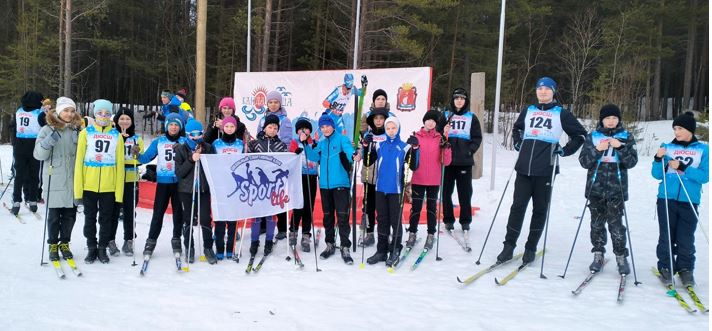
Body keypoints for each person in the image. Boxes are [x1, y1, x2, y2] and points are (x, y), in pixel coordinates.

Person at [496, 77, 586, 264]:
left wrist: (565, 149)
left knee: (539, 209)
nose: (543, 92)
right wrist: (518, 141)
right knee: (517, 207)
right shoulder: (528, 110)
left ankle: (530, 247)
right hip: (523, 168)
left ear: (553, 92)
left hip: (546, 169)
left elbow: (580, 135)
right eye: (539, 88)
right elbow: (517, 128)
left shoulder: (561, 113)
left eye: (547, 89)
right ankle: (508, 246)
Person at [578, 104, 638, 275]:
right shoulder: (593, 136)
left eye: (614, 118)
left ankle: (620, 256)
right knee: (596, 224)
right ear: (602, 120)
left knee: (616, 225)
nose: (611, 121)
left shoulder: (626, 137)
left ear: (618, 119)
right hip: (595, 189)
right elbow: (584, 162)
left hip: (616, 189)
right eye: (607, 118)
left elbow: (632, 162)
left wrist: (620, 147)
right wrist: (598, 150)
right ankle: (598, 254)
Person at [652, 111, 708, 286]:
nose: (676, 131)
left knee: (685, 237)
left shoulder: (703, 149)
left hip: (689, 200)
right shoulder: (667, 147)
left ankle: (685, 269)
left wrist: (683, 167)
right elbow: (656, 174)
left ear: (690, 130)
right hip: (666, 198)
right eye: (675, 128)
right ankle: (666, 267)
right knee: (666, 235)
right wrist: (658, 158)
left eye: (680, 128)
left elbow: (704, 176)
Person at [74, 99, 125, 264]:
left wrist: (119, 193)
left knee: (106, 219)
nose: (103, 116)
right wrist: (78, 190)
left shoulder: (117, 136)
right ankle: (91, 247)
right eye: (100, 113)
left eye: (107, 113)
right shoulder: (85, 133)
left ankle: (102, 248)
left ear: (111, 116)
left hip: (109, 187)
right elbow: (79, 163)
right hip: (89, 185)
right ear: (94, 114)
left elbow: (120, 166)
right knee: (89, 218)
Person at [363, 117, 419, 266]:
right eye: (388, 128)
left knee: (395, 220)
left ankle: (395, 248)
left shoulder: (404, 147)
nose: (391, 131)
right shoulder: (379, 146)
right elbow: (367, 162)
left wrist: (415, 149)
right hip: (380, 189)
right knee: (382, 220)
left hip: (396, 190)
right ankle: (381, 250)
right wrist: (366, 146)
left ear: (398, 129)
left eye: (393, 128)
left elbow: (414, 166)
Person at [33, 97, 82, 262]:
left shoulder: (77, 130)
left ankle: (65, 243)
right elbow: (38, 155)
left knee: (70, 216)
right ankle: (53, 244)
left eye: (72, 110)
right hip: (54, 180)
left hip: (73, 180)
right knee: (54, 217)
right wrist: (48, 142)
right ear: (59, 111)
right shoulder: (47, 130)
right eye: (66, 110)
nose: (69, 114)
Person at [305, 114, 357, 264]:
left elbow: (348, 150)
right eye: (322, 127)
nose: (325, 129)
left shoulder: (341, 139)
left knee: (342, 217)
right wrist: (306, 145)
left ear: (333, 126)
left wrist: (353, 154)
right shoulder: (321, 143)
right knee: (327, 216)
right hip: (325, 186)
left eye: (327, 126)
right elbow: (314, 157)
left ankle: (345, 246)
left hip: (340, 184)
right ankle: (330, 244)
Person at [134, 113, 187, 261]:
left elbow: (193, 156)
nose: (173, 127)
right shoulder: (159, 141)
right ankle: (151, 241)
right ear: (166, 126)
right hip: (163, 183)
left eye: (176, 124)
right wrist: (137, 154)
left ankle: (176, 239)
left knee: (178, 214)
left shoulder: (185, 141)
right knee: (158, 213)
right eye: (171, 124)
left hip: (179, 183)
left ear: (180, 127)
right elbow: (146, 158)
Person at [406, 110, 451, 251]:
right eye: (428, 120)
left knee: (432, 209)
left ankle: (431, 234)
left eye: (434, 121)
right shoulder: (416, 136)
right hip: (418, 178)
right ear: (424, 121)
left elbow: (446, 161)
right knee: (416, 209)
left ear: (436, 124)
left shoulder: (440, 138)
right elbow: (409, 160)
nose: (430, 123)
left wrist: (447, 146)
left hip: (433, 180)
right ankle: (412, 233)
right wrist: (411, 148)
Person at [175, 119, 218, 265]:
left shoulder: (208, 147)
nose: (196, 137)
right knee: (188, 219)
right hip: (187, 190)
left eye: (199, 133)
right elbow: (180, 172)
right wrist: (191, 159)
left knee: (205, 218)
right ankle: (189, 247)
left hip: (203, 189)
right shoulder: (181, 149)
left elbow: (214, 167)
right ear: (187, 134)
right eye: (192, 134)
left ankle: (207, 247)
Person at [247, 114, 288, 259]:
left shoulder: (281, 145)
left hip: (273, 187)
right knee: (257, 215)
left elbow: (285, 163)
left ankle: (269, 241)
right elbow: (249, 162)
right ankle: (254, 241)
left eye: (275, 128)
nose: (272, 130)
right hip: (258, 185)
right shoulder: (255, 144)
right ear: (264, 128)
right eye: (270, 127)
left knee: (271, 215)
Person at [442, 87, 482, 234]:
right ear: (453, 100)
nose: (459, 101)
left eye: (462, 98)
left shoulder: (471, 117)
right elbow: (438, 136)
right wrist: (443, 134)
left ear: (465, 101)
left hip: (464, 161)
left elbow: (477, 137)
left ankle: (465, 221)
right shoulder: (446, 115)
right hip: (447, 162)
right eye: (457, 98)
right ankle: (448, 220)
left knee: (464, 193)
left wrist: (469, 150)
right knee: (446, 192)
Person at [357, 89, 394, 247]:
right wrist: (358, 149)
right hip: (370, 173)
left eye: (383, 98)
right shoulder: (368, 127)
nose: (380, 101)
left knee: (385, 206)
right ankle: (370, 232)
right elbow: (360, 139)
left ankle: (387, 232)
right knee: (369, 204)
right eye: (378, 98)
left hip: (385, 175)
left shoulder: (391, 121)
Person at [256, 91, 293, 240]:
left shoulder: (285, 120)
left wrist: (280, 154)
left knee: (278, 195)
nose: (273, 105)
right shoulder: (262, 119)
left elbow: (287, 141)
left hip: (277, 160)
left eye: (276, 102)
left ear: (280, 104)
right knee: (264, 194)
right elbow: (259, 135)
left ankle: (282, 227)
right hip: (264, 162)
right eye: (270, 102)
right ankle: (264, 225)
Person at [108, 107, 144, 257]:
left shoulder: (137, 138)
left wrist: (137, 154)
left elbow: (140, 159)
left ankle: (129, 239)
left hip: (131, 179)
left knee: (130, 212)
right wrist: (121, 139)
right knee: (113, 211)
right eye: (121, 118)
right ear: (116, 120)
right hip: (115, 179)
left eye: (127, 119)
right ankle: (110, 239)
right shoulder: (112, 136)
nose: (124, 121)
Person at [212, 116, 245, 260]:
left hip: (235, 186)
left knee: (232, 219)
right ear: (222, 128)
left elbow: (244, 162)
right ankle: (219, 249)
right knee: (220, 218)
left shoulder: (240, 144)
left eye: (232, 126)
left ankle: (230, 249)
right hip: (220, 185)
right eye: (227, 126)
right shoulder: (216, 143)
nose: (229, 129)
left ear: (236, 128)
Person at [10, 91, 47, 215]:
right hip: (33, 147)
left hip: (19, 146)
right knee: (34, 175)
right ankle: (32, 200)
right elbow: (47, 125)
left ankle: (16, 200)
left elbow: (13, 126)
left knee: (18, 175)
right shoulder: (39, 113)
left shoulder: (19, 111)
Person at [292, 118, 319, 252]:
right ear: (297, 131)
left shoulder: (314, 143)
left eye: (306, 129)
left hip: (311, 177)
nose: (303, 131)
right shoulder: (294, 142)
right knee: (298, 205)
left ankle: (306, 234)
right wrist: (294, 153)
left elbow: (318, 156)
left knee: (309, 206)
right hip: (298, 178)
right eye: (301, 129)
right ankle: (293, 231)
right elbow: (289, 158)